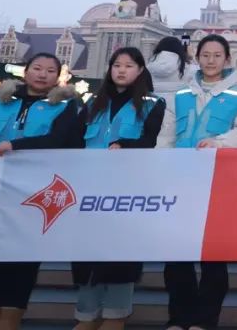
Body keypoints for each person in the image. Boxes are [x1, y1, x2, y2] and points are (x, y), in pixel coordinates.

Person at [157, 34, 237, 330]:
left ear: (227, 59)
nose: (211, 61)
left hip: (218, 184)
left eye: (217, 55)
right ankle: (179, 317)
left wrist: (219, 143)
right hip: (181, 182)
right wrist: (160, 168)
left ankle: (205, 320)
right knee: (177, 255)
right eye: (206, 55)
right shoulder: (180, 95)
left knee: (213, 257)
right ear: (197, 58)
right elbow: (166, 136)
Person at [0, 53, 83, 330]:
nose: (42, 74)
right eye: (37, 68)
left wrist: (17, 146)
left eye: (50, 71)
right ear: (25, 72)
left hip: (35, 193)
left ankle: (12, 314)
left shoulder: (65, 107)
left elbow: (60, 141)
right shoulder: (3, 102)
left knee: (23, 256)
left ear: (58, 77)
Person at [73, 47, 164, 330]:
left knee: (121, 255)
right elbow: (73, 141)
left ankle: (116, 315)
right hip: (89, 191)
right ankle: (86, 315)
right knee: (86, 254)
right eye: (116, 65)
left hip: (127, 192)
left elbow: (153, 142)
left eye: (128, 65)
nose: (121, 70)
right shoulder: (92, 102)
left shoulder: (153, 104)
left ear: (140, 70)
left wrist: (126, 145)